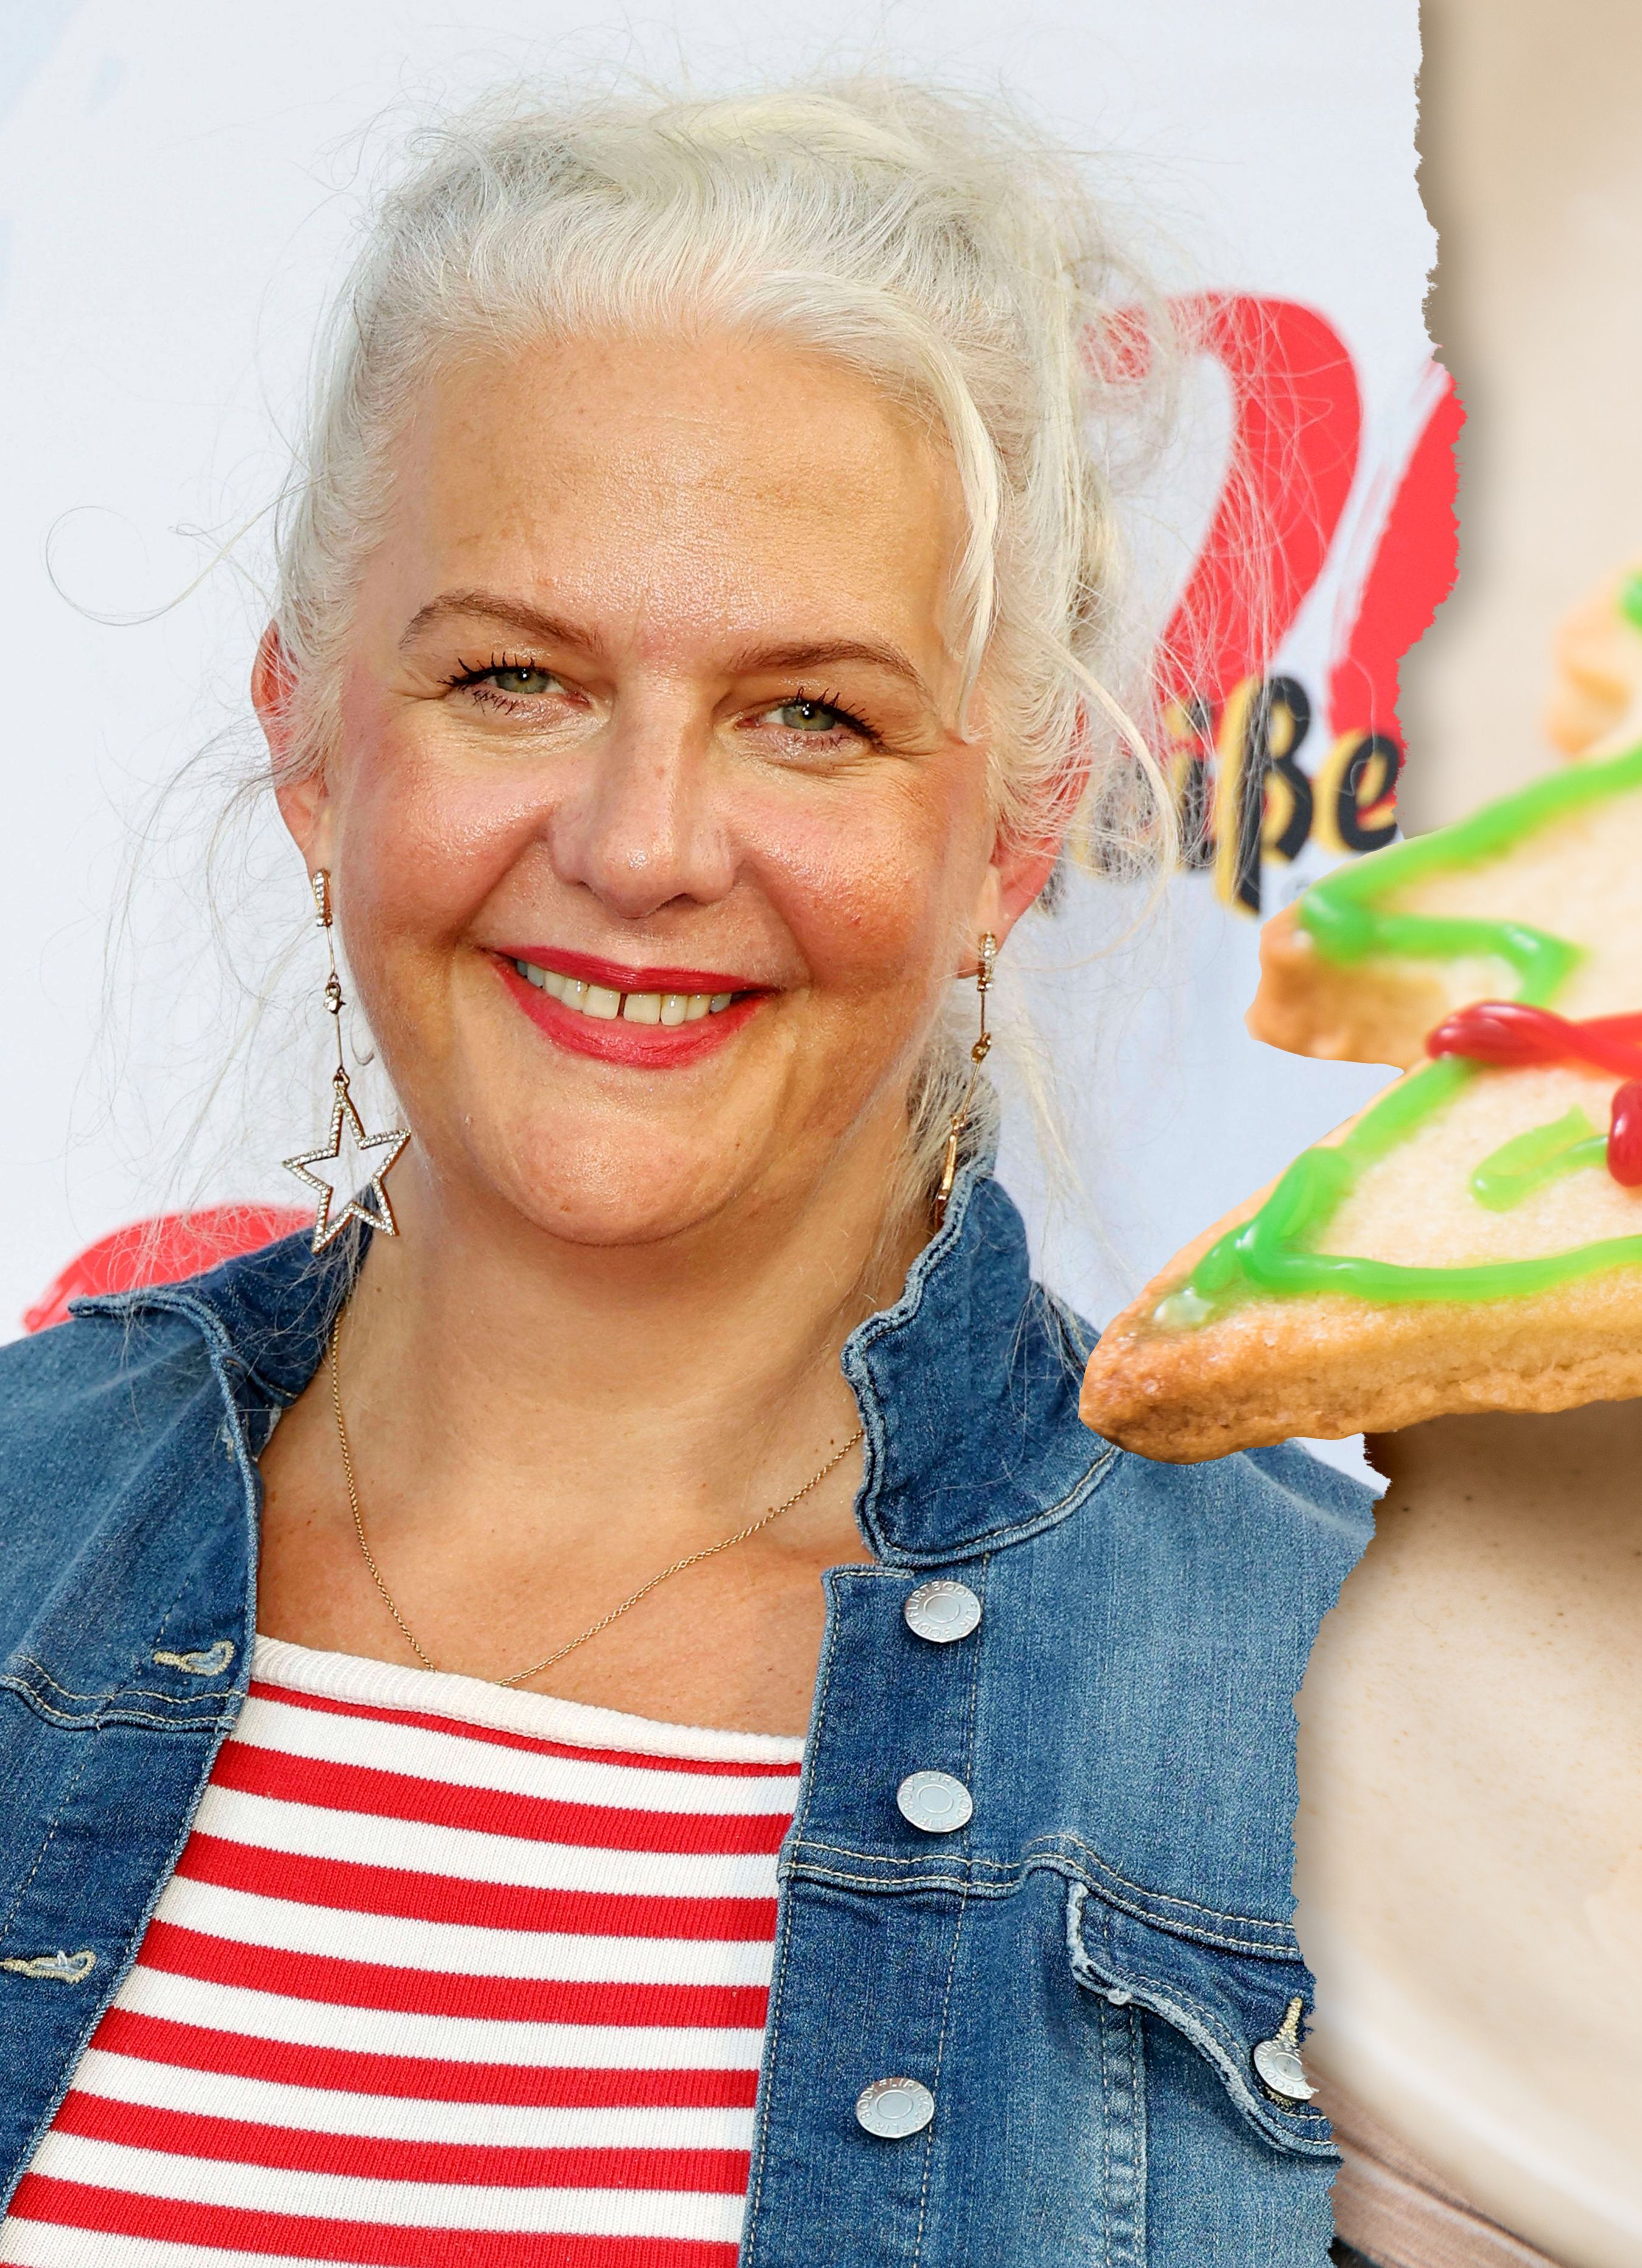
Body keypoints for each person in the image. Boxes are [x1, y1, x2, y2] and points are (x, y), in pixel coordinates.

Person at [0, 79, 1372, 2264]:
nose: (643, 846)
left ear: (1008, 831)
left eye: (809, 715)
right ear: (311, 738)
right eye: (516, 678)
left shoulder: (1357, 1708)